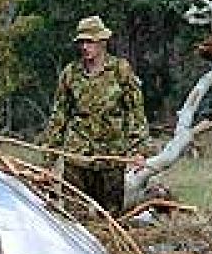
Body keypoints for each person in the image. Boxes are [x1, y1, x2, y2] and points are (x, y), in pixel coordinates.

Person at [43, 15, 150, 215]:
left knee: (110, 219)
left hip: (111, 158)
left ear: (102, 42)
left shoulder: (120, 70)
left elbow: (136, 112)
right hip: (77, 159)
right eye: (82, 42)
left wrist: (139, 151)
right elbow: (59, 117)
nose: (85, 47)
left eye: (90, 41)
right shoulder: (70, 73)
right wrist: (49, 160)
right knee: (74, 220)